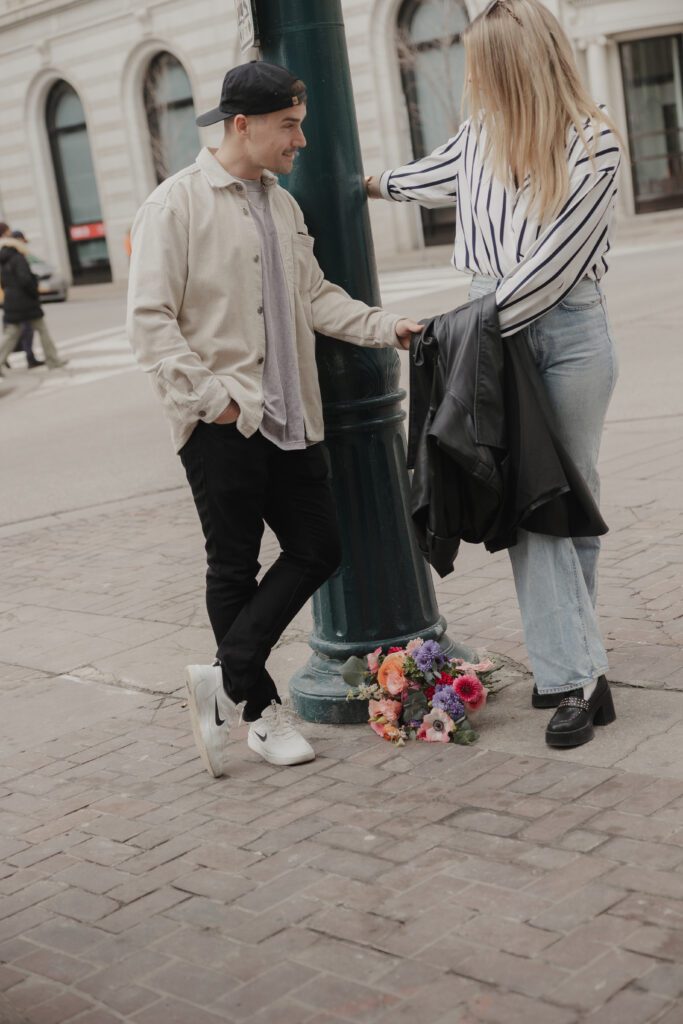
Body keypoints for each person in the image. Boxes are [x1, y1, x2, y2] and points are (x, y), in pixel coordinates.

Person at [127, 61, 421, 776]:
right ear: (242, 125)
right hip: (224, 421)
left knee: (318, 546)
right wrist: (213, 401)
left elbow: (316, 296)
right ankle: (257, 713)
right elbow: (149, 321)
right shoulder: (175, 205)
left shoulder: (282, 205)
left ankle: (224, 671)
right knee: (232, 564)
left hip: (292, 419)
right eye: (289, 126)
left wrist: (388, 328)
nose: (300, 141)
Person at [367, 0, 621, 749]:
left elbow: (548, 273)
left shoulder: (591, 144)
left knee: (567, 503)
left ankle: (574, 668)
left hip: (560, 332)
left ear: (513, 65)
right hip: (493, 329)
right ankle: (578, 675)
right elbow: (419, 177)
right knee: (532, 508)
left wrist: (457, 332)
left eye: (479, 62)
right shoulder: (479, 136)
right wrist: (360, 183)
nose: (469, 75)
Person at [0, 223, 67, 373]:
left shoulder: (3, 260)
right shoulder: (18, 258)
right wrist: (34, 289)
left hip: (11, 300)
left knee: (11, 333)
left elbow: (4, 282)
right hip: (26, 301)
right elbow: (25, 280)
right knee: (41, 329)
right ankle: (53, 360)